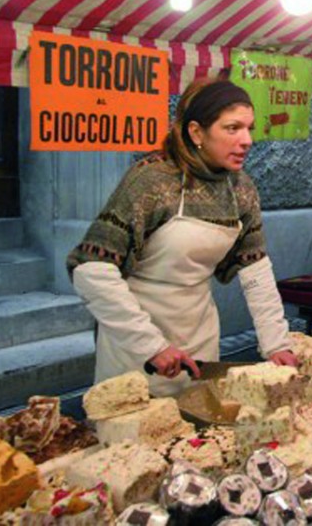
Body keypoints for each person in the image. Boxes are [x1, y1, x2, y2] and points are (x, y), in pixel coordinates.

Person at [67, 78, 297, 397]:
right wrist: (151, 345)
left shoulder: (241, 189)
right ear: (196, 132)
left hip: (199, 333)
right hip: (137, 342)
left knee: (197, 438)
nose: (246, 140)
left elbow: (254, 269)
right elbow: (90, 270)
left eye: (249, 128)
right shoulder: (151, 180)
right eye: (232, 128)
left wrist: (277, 344)